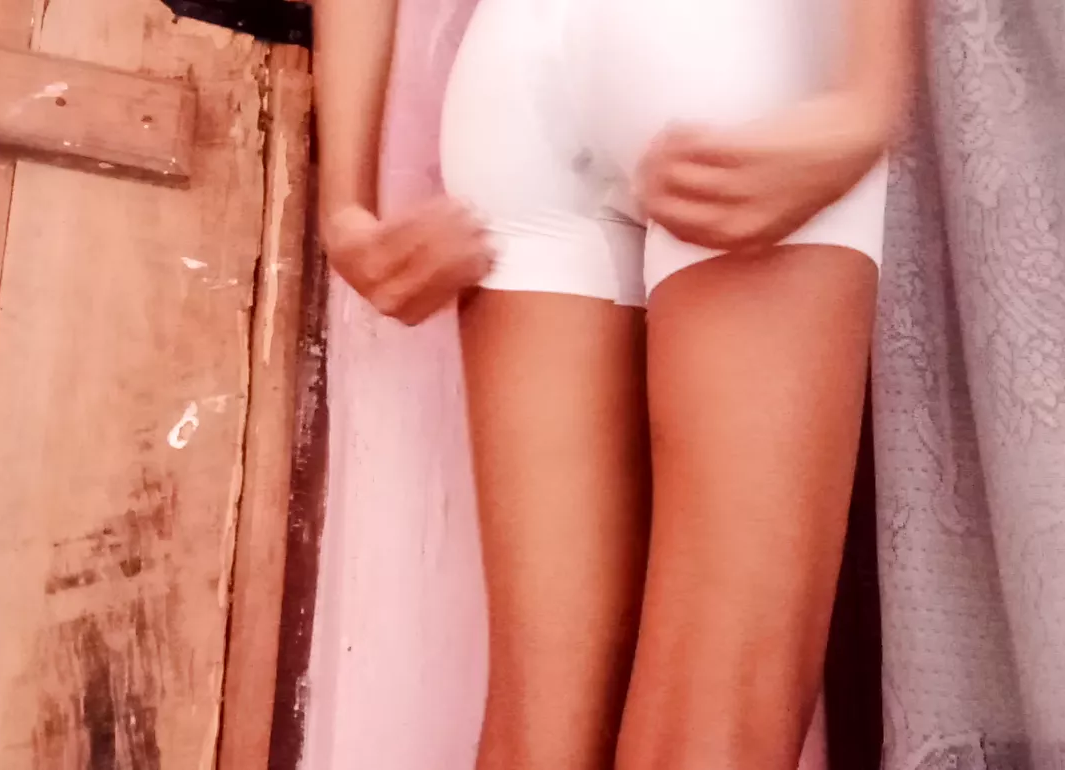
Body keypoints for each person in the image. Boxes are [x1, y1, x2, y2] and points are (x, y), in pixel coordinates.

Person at [313, 0, 917, 766]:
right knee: (715, 715)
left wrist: (344, 210)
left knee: (538, 737)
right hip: (740, 41)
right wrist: (871, 95)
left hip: (514, 69)